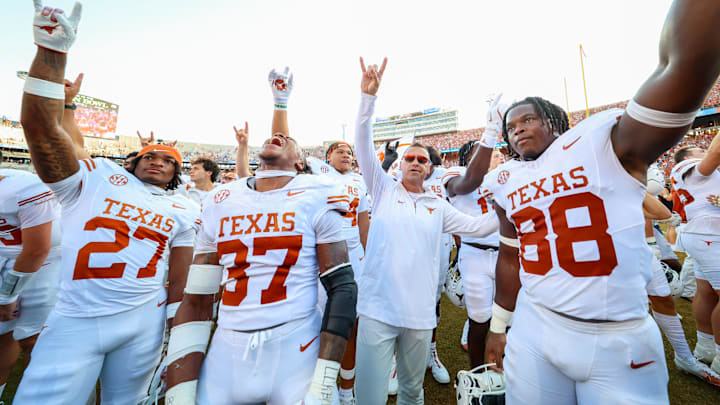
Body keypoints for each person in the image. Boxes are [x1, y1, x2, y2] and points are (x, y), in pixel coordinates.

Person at [483, 1, 720, 402]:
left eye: (528, 119)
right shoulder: (504, 179)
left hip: (617, 333)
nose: (518, 129)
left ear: (555, 120)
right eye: (511, 126)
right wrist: (498, 325)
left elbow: (681, 66)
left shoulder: (601, 143)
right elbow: (510, 256)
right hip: (536, 325)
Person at [14, 5, 199, 403]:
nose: (158, 161)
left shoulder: (184, 207)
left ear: (176, 173)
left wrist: (174, 331)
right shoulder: (96, 176)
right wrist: (53, 51)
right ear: (132, 161)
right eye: (150, 155)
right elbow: (42, 130)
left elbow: (180, 278)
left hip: (144, 319)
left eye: (169, 160)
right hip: (75, 317)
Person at [165, 67, 358, 405]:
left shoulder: (317, 192)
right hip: (227, 344)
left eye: (288, 142)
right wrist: (178, 389)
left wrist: (324, 382)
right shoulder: (221, 199)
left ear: (300, 162)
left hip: (295, 341)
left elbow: (342, 288)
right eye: (275, 138)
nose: (278, 139)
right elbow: (196, 298)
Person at [354, 57, 499, 405]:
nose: (416, 162)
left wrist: (511, 207)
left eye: (422, 160)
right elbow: (362, 139)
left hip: (419, 314)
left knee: (412, 392)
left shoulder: (438, 206)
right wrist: (367, 98)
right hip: (377, 310)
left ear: (431, 168)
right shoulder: (383, 189)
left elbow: (479, 226)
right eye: (410, 158)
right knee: (370, 397)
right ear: (399, 165)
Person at [442, 95, 507, 370]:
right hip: (476, 255)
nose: (500, 155)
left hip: (509, 254)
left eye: (499, 151)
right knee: (479, 321)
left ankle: (508, 372)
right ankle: (479, 376)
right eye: (493, 152)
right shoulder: (457, 173)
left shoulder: (510, 172)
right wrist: (490, 133)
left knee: (513, 320)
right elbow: (469, 183)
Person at [0, 168, 62, 400]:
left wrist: (7, 297)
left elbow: (37, 250)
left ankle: (35, 398)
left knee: (34, 340)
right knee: (2, 334)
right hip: (6, 258)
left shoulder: (24, 188)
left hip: (43, 267)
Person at [670, 134, 720, 373]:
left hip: (701, 234)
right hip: (709, 234)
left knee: (707, 292)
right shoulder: (686, 166)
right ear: (688, 157)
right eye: (698, 150)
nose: (704, 151)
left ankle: (706, 348)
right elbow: (715, 152)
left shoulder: (698, 178)